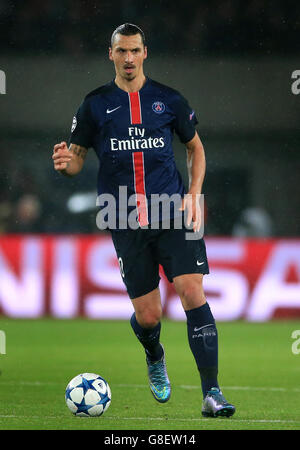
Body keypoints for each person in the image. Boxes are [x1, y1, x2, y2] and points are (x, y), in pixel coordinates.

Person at [52, 23, 235, 418]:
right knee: (149, 315)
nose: (129, 58)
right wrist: (67, 165)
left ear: (145, 53)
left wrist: (194, 194)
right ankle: (154, 352)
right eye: (122, 51)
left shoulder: (167, 100)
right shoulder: (95, 105)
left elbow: (196, 149)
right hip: (123, 215)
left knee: (191, 291)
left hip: (174, 213)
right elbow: (78, 157)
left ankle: (212, 393)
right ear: (111, 54)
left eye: (135, 51)